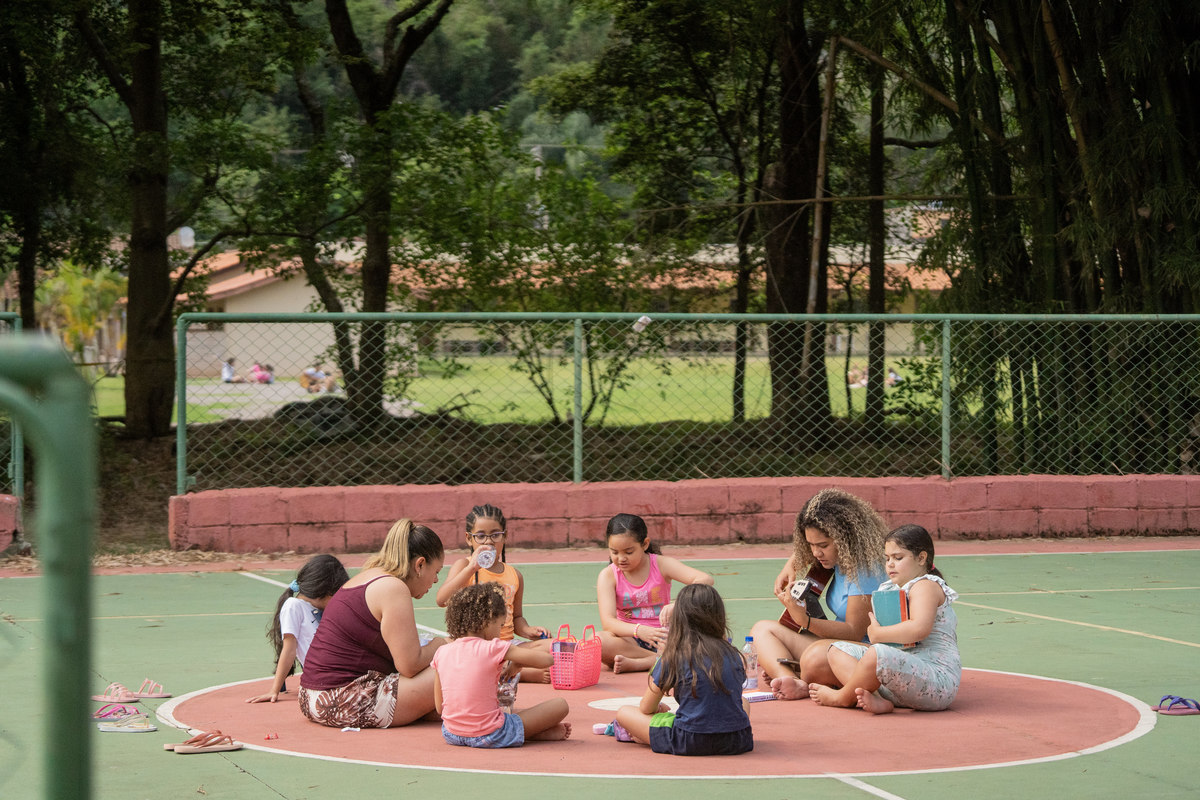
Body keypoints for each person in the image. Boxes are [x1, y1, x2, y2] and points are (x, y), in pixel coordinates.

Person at [298, 519, 447, 728]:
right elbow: (410, 665)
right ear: (420, 565)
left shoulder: (370, 576)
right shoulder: (393, 588)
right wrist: (444, 643)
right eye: (437, 572)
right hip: (343, 700)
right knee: (457, 661)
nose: (436, 581)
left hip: (313, 697)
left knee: (442, 685)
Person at [749, 488, 888, 700]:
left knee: (814, 657)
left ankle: (803, 677)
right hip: (834, 644)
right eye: (810, 545)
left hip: (862, 652)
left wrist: (804, 620)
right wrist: (792, 565)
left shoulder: (866, 570)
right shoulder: (838, 558)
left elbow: (853, 632)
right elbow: (809, 549)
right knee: (762, 630)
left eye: (823, 545)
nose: (815, 553)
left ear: (845, 539)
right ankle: (791, 680)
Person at [808, 524, 961, 714]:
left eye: (898, 558)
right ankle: (877, 699)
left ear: (921, 558)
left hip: (935, 682)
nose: (890, 564)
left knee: (876, 652)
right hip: (900, 679)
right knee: (837, 650)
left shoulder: (926, 586)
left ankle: (842, 697)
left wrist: (878, 634)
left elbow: (919, 629)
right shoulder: (890, 588)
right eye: (887, 558)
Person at [614, 583, 753, 756]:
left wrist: (660, 660)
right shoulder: (734, 654)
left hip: (690, 739)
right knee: (743, 703)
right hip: (737, 740)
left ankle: (648, 737)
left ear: (679, 620)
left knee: (624, 713)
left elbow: (646, 708)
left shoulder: (673, 656)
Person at [432, 583, 571, 747]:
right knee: (560, 705)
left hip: (451, 733)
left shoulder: (441, 652)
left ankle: (535, 733)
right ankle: (532, 733)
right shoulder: (493, 647)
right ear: (488, 620)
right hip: (491, 733)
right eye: (500, 625)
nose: (499, 631)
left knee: (505, 716)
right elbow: (548, 660)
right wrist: (518, 664)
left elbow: (440, 708)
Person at [436, 504, 554, 683]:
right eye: (481, 536)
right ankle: (521, 672)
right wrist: (472, 568)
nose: (488, 542)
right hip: (473, 646)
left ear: (504, 536)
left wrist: (528, 630)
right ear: (469, 539)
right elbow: (441, 600)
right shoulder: (463, 566)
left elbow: (516, 618)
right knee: (451, 652)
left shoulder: (515, 576)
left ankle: (509, 667)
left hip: (506, 646)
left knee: (555, 646)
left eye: (495, 535)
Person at [597, 512, 714, 673]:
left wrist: (679, 604)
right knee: (598, 641)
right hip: (632, 640)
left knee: (705, 639)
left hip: (665, 637)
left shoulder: (660, 564)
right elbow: (608, 622)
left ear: (645, 544)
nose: (621, 558)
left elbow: (705, 579)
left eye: (629, 552)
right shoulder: (608, 575)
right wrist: (639, 630)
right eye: (614, 552)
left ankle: (645, 662)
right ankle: (660, 659)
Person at [246, 554, 349, 703]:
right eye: (336, 594)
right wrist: (274, 690)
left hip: (337, 671)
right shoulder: (293, 606)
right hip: (327, 677)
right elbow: (289, 649)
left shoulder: (317, 608)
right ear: (324, 592)